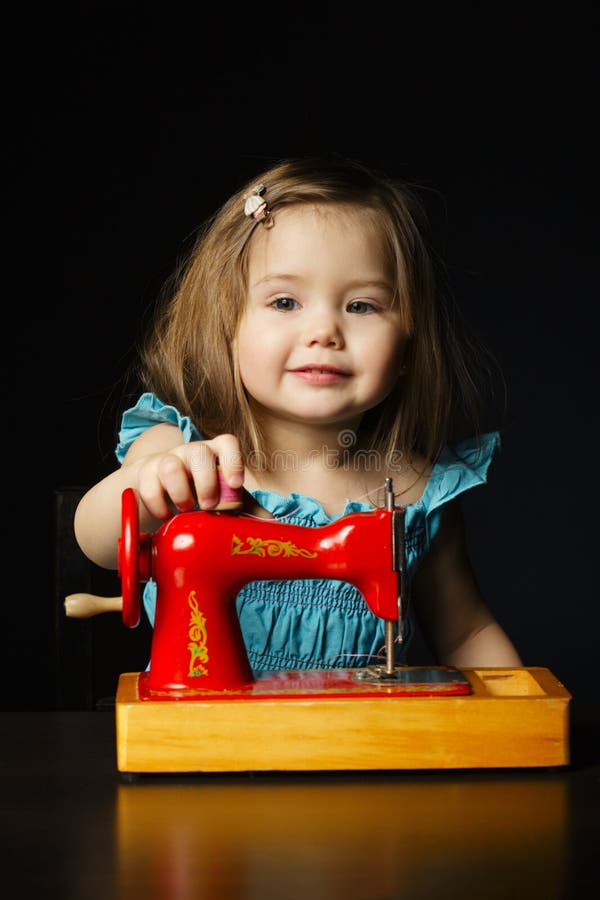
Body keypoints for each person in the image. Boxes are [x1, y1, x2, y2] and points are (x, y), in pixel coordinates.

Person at [74, 155, 522, 672]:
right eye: (285, 302)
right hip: (211, 741)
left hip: (361, 745)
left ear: (408, 346)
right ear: (228, 326)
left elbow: (466, 631)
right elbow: (98, 542)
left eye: (362, 306)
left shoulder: (420, 490)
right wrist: (153, 482)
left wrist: (525, 715)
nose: (324, 331)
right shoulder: (181, 451)